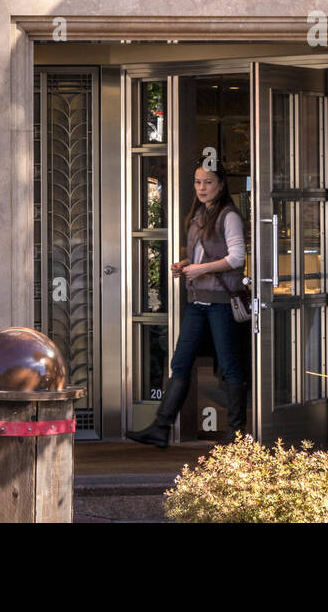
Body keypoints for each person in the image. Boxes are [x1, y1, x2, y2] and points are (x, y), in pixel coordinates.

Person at [129, 160, 248, 447]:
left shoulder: (228, 216)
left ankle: (236, 435)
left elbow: (237, 258)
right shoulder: (198, 215)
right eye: (197, 182)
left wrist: (201, 269)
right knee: (180, 363)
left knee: (230, 366)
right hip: (198, 301)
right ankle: (161, 428)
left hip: (220, 302)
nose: (202, 188)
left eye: (208, 182)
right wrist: (185, 265)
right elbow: (203, 256)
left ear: (221, 184)